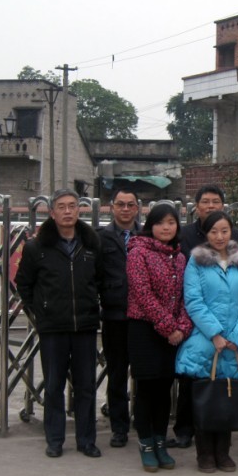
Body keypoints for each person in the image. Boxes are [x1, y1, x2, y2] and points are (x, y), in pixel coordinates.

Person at [15, 188, 103, 459]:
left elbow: (100, 280)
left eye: (72, 206)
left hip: (85, 326)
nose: (67, 211)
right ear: (52, 213)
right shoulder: (36, 247)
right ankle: (54, 439)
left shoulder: (91, 244)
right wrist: (40, 311)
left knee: (86, 385)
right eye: (62, 207)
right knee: (54, 385)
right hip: (53, 328)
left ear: (79, 210)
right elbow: (23, 283)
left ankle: (86, 440)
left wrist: (93, 306)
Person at [176, 211, 238, 473]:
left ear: (231, 232)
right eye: (214, 231)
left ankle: (223, 453)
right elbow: (194, 301)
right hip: (205, 340)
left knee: (227, 397)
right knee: (206, 397)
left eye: (224, 231)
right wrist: (215, 334)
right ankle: (204, 454)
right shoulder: (196, 262)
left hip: (235, 342)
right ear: (206, 234)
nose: (219, 236)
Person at [172, 183, 238, 449]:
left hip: (229, 324)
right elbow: (190, 292)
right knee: (191, 378)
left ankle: (219, 437)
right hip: (192, 319)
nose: (210, 206)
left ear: (223, 206)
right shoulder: (185, 235)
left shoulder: (236, 238)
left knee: (222, 380)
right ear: (196, 206)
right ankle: (185, 430)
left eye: (216, 201)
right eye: (205, 202)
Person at [126, 203, 193, 472]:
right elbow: (142, 294)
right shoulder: (138, 252)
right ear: (150, 226)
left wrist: (182, 327)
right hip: (145, 329)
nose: (166, 228)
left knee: (165, 389)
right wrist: (169, 327)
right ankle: (145, 444)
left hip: (173, 333)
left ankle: (160, 442)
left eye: (171, 222)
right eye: (160, 222)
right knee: (147, 389)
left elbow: (187, 296)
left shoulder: (180, 256)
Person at [97, 188, 141, 448]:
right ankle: (119, 427)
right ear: (112, 207)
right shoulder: (100, 238)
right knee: (116, 374)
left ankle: (143, 423)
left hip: (143, 317)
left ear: (137, 208)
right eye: (120, 204)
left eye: (130, 204)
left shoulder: (146, 236)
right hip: (114, 315)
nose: (125, 209)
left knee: (143, 373)